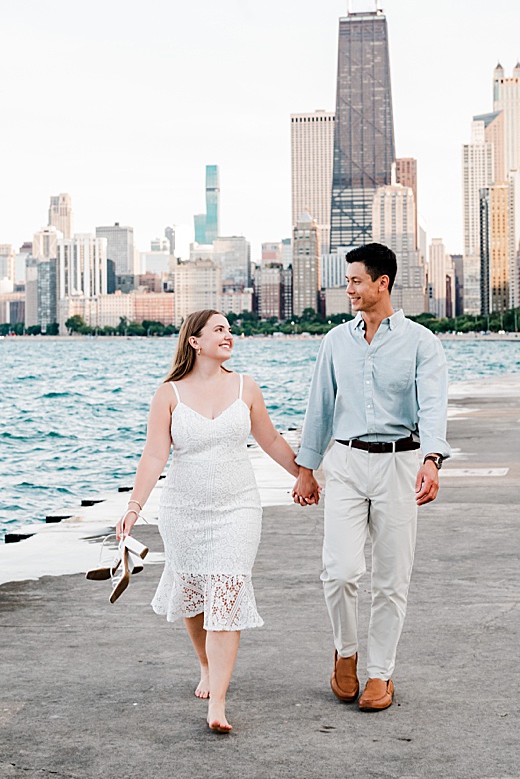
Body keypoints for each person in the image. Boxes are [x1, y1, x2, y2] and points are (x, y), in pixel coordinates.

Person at [117, 309, 299, 733]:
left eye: (230, 329)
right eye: (219, 329)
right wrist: (134, 506)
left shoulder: (246, 387)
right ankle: (205, 664)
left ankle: (218, 700)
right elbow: (154, 455)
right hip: (183, 510)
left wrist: (305, 476)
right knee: (195, 593)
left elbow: (271, 439)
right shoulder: (169, 394)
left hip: (238, 508)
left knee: (228, 590)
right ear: (195, 341)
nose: (229, 335)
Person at [291, 242, 448, 712]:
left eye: (356, 281)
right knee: (340, 571)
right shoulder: (336, 341)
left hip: (400, 465)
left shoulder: (422, 342)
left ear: (383, 283)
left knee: (391, 577)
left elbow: (433, 407)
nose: (349, 289)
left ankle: (380, 673)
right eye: (348, 281)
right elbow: (319, 407)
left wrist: (432, 459)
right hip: (345, 463)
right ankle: (346, 651)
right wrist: (306, 469)